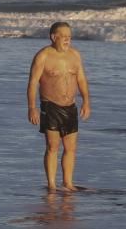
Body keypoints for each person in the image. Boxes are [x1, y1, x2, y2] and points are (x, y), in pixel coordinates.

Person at [27, 22, 91, 191]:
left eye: (69, 37)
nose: (67, 41)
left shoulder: (75, 55)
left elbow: (82, 79)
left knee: (71, 148)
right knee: (52, 146)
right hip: (50, 107)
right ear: (53, 37)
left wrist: (86, 101)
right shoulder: (43, 56)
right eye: (63, 37)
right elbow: (33, 83)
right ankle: (52, 185)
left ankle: (68, 183)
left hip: (70, 107)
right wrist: (32, 107)